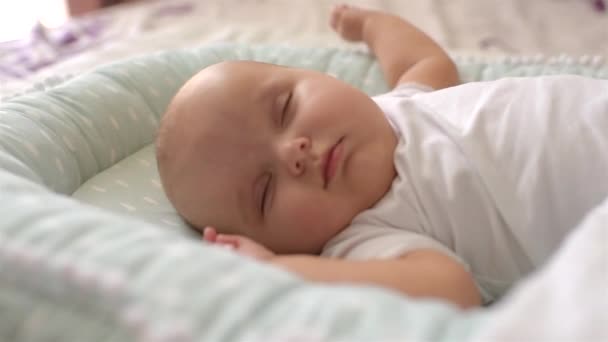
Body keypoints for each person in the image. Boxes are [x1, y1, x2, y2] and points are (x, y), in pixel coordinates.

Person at [155, 4, 608, 309]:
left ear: (314, 75)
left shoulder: (392, 109)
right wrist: (279, 272)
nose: (293, 152)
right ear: (282, 242)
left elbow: (425, 64)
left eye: (286, 109)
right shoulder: (364, 239)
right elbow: (452, 292)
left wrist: (371, 26)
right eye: (265, 190)